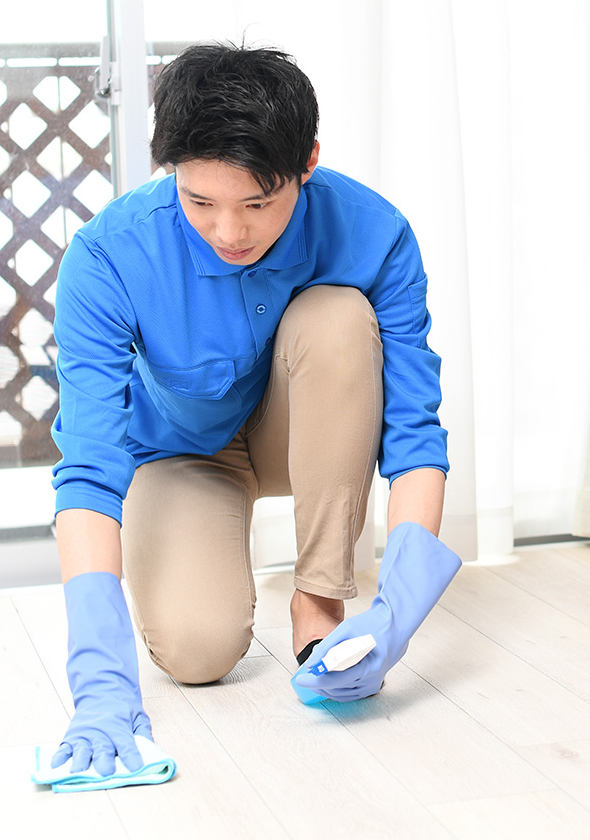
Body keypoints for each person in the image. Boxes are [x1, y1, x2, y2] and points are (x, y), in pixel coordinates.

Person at [47, 44, 461, 776]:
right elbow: (88, 465)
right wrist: (99, 681)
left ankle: (318, 601)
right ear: (170, 171)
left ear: (307, 163)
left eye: (258, 204)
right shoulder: (108, 255)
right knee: (196, 652)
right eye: (199, 202)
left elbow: (413, 432)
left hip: (301, 434)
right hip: (181, 452)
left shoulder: (375, 232)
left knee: (337, 319)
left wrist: (401, 605)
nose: (229, 233)